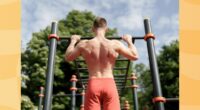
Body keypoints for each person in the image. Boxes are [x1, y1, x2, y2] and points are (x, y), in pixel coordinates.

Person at [65, 17, 138, 110]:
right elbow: (134, 56)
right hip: (109, 84)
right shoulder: (115, 44)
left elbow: (68, 57)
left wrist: (73, 41)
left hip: (93, 84)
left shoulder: (84, 44)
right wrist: (129, 41)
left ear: (92, 29)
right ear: (106, 29)